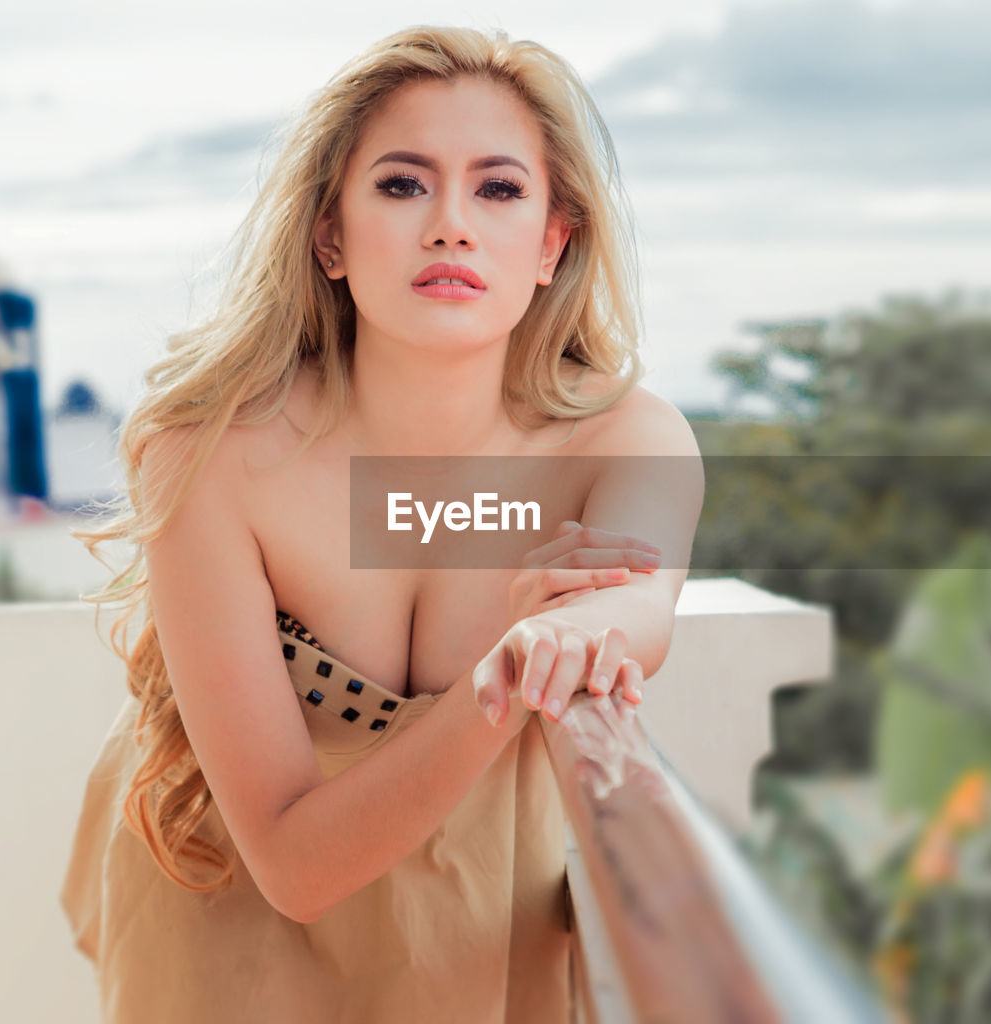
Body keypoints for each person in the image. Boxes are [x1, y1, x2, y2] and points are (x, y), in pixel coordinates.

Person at [59, 24, 703, 1024]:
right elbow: (293, 863)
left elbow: (639, 605)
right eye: (402, 185)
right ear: (329, 236)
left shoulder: (627, 440)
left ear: (550, 242)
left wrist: (573, 631)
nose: (450, 224)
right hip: (223, 898)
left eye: (497, 189)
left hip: (478, 904)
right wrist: (509, 663)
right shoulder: (210, 451)